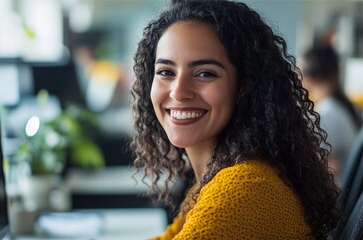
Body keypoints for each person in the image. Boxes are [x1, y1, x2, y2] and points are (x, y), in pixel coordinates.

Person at [130, 0, 341, 239]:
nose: (178, 92)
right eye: (166, 72)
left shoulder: (243, 190)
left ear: (243, 87)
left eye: (205, 73)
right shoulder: (219, 175)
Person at [301, 46, 361, 183]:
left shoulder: (327, 113)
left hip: (336, 197)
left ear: (309, 75)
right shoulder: (338, 107)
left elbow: (330, 170)